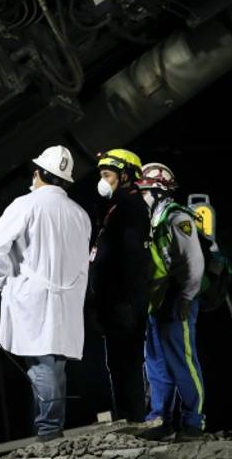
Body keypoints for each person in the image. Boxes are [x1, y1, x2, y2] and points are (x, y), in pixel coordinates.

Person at [0, 145, 92, 442]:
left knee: (41, 363)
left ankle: (48, 430)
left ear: (39, 173)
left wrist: (4, 276)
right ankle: (51, 427)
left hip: (32, 296)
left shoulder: (26, 204)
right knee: (56, 365)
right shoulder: (80, 214)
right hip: (67, 299)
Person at [136, 163, 207, 441]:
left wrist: (188, 298)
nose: (141, 195)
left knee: (183, 361)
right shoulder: (154, 219)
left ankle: (194, 421)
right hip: (158, 301)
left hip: (178, 298)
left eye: (145, 190)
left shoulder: (177, 217)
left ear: (159, 191)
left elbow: (194, 262)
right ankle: (161, 419)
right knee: (156, 362)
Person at [88, 148, 152, 423]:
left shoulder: (131, 207)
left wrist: (127, 304)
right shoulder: (117, 206)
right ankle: (128, 417)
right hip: (115, 302)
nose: (102, 181)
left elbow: (132, 259)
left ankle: (134, 419)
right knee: (119, 364)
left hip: (123, 303)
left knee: (126, 364)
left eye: (107, 175)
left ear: (125, 175)